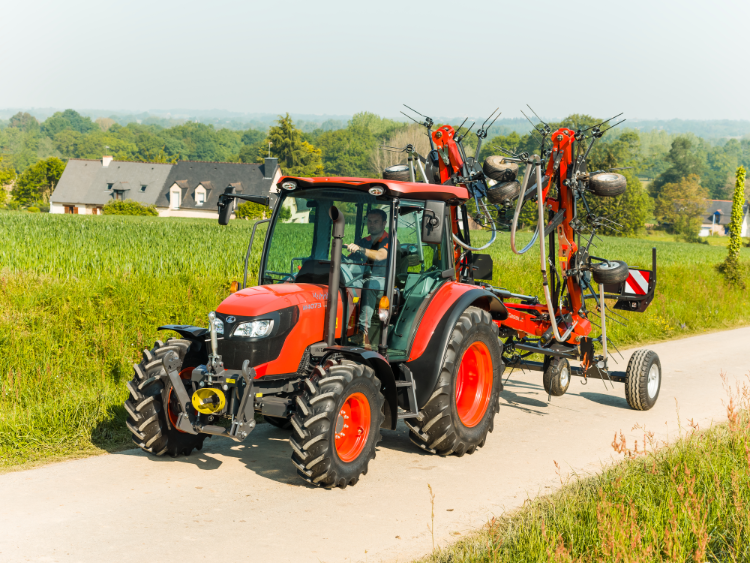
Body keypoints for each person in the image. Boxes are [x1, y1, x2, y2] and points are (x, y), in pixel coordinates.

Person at [345, 209, 389, 346]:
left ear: (384, 223)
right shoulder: (364, 241)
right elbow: (350, 260)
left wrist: (360, 249)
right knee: (345, 283)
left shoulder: (390, 240)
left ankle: (363, 334)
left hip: (384, 280)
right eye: (369, 221)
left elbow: (380, 255)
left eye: (375, 222)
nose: (372, 224)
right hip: (364, 277)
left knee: (370, 285)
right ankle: (344, 327)